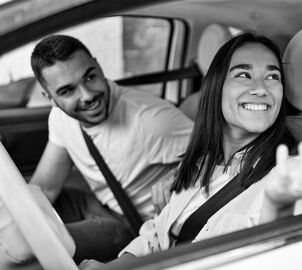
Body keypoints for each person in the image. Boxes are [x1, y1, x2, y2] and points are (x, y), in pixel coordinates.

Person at [78, 32, 302, 269]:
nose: (261, 88)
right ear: (216, 87)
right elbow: (154, 239)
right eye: (244, 75)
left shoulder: (291, 176)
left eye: (273, 77)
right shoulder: (196, 164)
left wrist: (277, 212)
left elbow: (285, 258)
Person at [27, 35, 193, 262]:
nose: (87, 95)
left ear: (98, 65)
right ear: (49, 96)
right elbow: (46, 187)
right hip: (97, 203)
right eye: (67, 91)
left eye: (90, 77)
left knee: (38, 245)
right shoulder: (60, 117)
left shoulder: (151, 119)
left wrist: (178, 174)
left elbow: (221, 151)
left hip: (132, 224)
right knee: (25, 208)